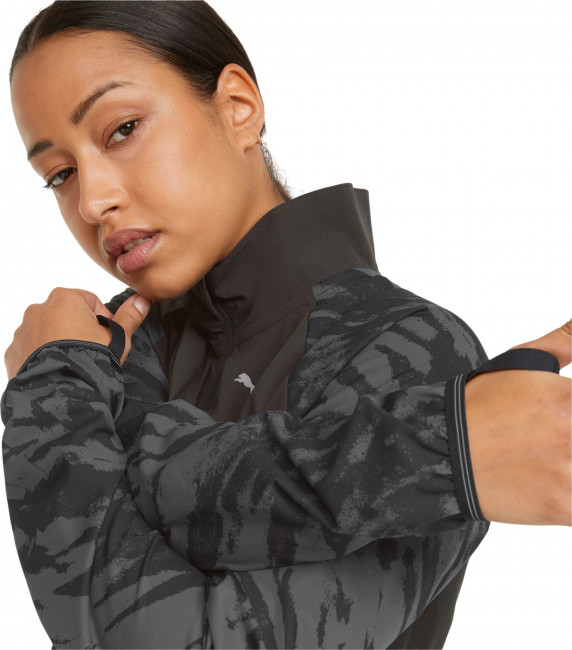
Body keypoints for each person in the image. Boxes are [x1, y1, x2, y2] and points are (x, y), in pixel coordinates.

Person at [1, 1, 570, 648]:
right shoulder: (106, 357)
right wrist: (425, 454)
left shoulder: (408, 351)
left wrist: (52, 402)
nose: (92, 201)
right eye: (60, 174)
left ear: (238, 107)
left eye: (123, 129)